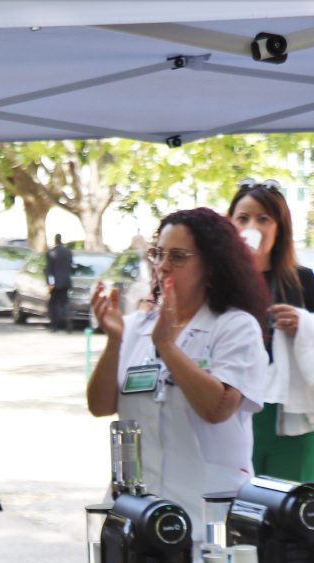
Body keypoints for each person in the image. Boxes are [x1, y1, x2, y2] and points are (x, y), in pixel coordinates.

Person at [87, 207, 269, 532]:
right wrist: (114, 342)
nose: (163, 266)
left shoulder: (235, 327)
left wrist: (168, 348)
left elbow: (217, 408)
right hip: (137, 511)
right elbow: (100, 407)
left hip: (208, 517)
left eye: (178, 256)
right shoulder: (135, 326)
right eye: (158, 254)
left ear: (210, 265)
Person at [228, 179, 314, 481]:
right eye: (243, 218)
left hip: (290, 418)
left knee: (292, 503)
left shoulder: (302, 280)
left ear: (280, 228)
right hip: (232, 411)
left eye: (263, 219)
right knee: (238, 501)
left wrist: (304, 325)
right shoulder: (216, 284)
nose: (252, 227)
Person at [46, 233, 74, 332]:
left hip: (56, 282)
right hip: (66, 281)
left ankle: (54, 325)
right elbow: (70, 266)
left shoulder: (51, 252)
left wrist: (50, 283)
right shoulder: (68, 252)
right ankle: (68, 319)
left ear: (55, 240)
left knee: (53, 304)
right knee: (64, 302)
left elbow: (50, 270)